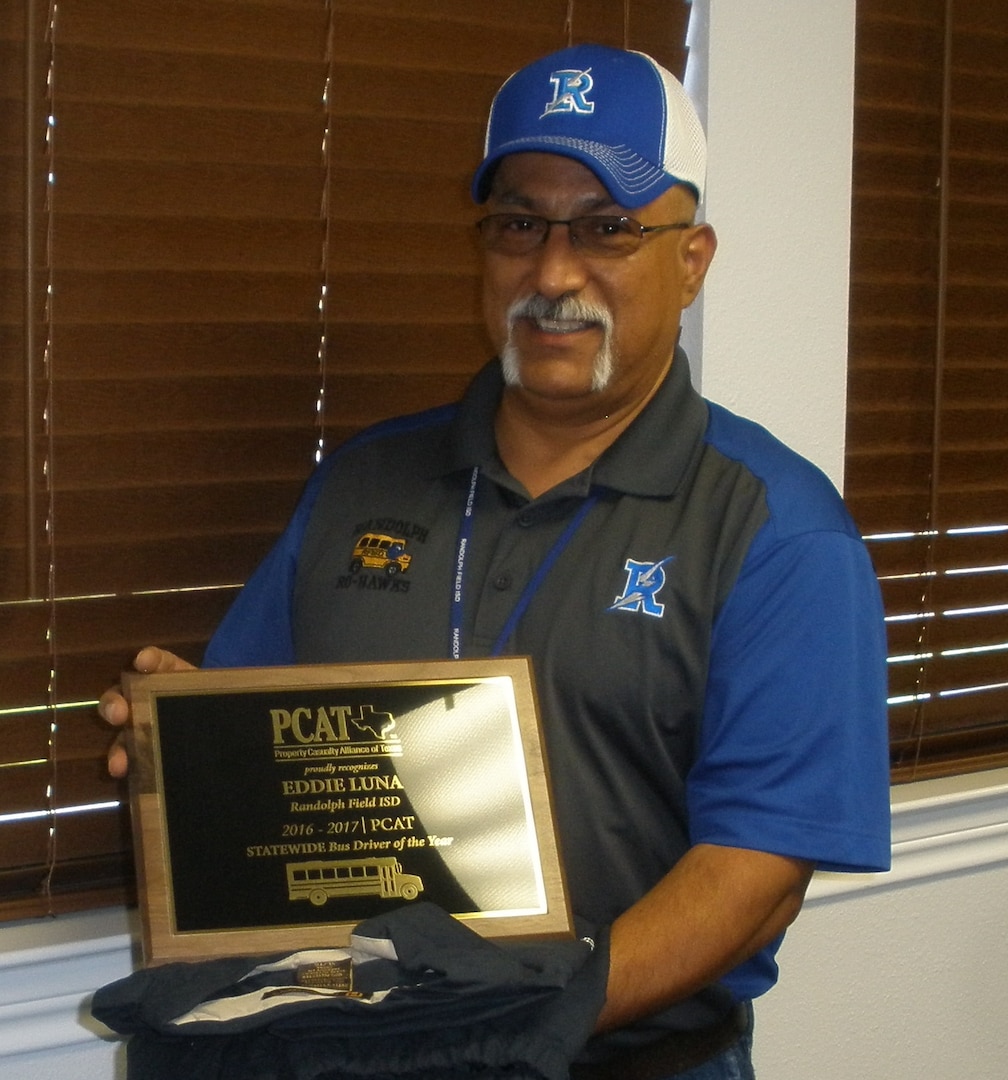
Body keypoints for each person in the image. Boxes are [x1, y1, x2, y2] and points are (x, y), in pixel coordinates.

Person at [102, 43, 891, 1078]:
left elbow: (757, 873)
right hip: (346, 1054)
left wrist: (528, 1024)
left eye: (607, 229)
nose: (554, 274)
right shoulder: (361, 486)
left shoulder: (777, 531)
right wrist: (183, 748)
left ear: (692, 259)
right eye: (520, 224)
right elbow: (275, 754)